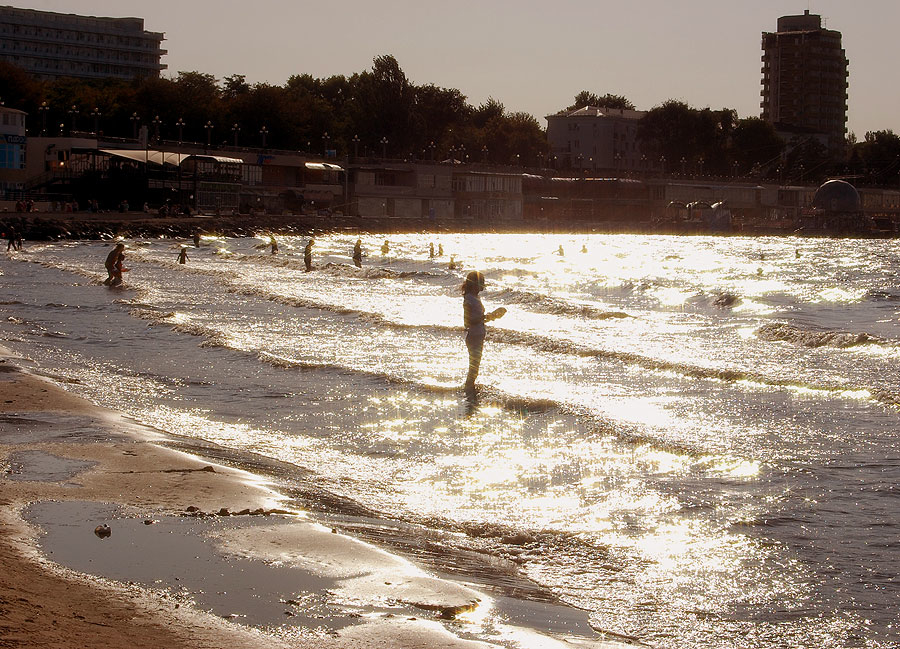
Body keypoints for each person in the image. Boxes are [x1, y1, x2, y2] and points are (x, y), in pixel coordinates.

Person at [462, 270, 505, 392]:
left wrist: (492, 316)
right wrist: (489, 316)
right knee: (474, 368)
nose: (483, 285)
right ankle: (468, 391)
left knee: (475, 368)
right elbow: (468, 322)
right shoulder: (469, 299)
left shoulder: (475, 297)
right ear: (475, 284)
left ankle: (469, 389)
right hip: (474, 337)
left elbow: (477, 320)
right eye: (482, 283)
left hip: (477, 336)